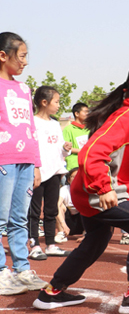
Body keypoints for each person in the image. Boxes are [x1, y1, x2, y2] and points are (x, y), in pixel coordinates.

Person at [32, 59, 129, 314]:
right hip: (95, 191)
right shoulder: (126, 117)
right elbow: (91, 154)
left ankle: (52, 292)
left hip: (97, 190)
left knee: (96, 241)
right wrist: (103, 187)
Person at [0, 32, 47, 295]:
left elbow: (30, 127)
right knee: (0, 218)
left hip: (26, 160)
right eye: (22, 55)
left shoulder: (23, 89)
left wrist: (36, 163)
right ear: (3, 55)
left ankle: (22, 269)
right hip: (3, 160)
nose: (25, 62)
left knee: (20, 219)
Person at [28, 86, 72, 261]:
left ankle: (50, 243)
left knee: (51, 210)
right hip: (38, 171)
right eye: (56, 102)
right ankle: (34, 245)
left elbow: (59, 148)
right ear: (44, 102)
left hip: (54, 171)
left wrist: (65, 148)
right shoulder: (32, 122)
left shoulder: (55, 124)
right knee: (34, 210)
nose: (58, 105)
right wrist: (33, 168)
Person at [62, 102, 89, 171]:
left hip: (88, 164)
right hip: (74, 165)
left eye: (88, 112)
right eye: (85, 112)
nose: (87, 114)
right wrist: (82, 151)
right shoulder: (68, 129)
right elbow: (65, 148)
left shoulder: (89, 129)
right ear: (76, 114)